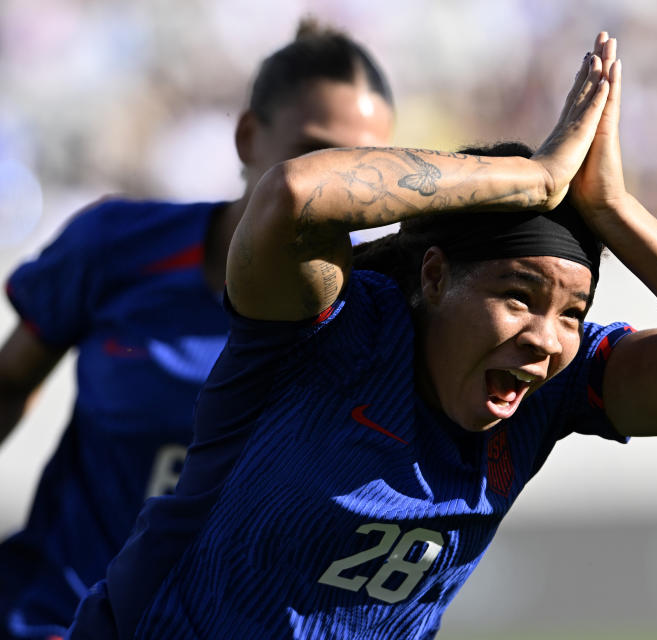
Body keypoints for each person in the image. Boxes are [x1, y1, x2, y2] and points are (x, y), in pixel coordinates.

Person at [68, 32, 657, 640]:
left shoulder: (556, 394)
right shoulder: (329, 331)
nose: (547, 339)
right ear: (431, 276)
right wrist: (536, 178)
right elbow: (292, 195)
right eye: (518, 297)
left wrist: (615, 210)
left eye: (572, 313)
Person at [0, 20, 394, 640]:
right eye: (313, 155)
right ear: (247, 137)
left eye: (361, 171)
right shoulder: (117, 247)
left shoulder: (381, 317)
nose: (332, 190)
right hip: (56, 616)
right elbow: (10, 379)